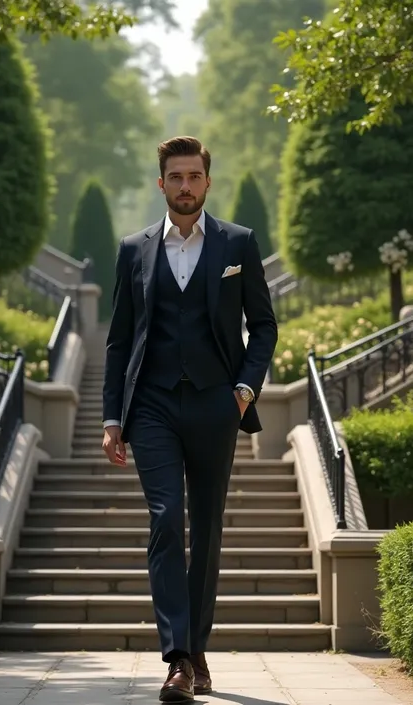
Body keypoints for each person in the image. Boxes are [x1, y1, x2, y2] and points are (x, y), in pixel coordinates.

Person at [102, 136, 277, 702]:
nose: (184, 186)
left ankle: (198, 644)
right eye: (174, 177)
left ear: (207, 181)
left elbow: (264, 325)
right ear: (161, 184)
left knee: (206, 527)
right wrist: (111, 417)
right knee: (165, 518)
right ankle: (177, 658)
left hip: (215, 403)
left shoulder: (238, 244)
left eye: (193, 177)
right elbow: (118, 339)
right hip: (150, 403)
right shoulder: (134, 249)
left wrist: (245, 388)